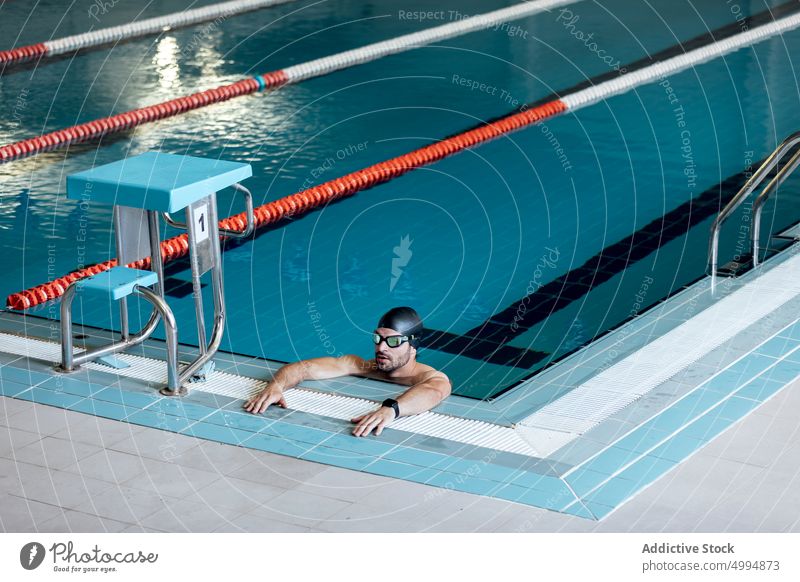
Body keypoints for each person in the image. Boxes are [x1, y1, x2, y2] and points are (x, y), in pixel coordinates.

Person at [244, 307, 451, 437]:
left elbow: (434, 390)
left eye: (394, 341)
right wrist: (276, 385)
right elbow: (303, 368)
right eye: (378, 338)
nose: (381, 348)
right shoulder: (362, 365)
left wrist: (391, 409)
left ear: (413, 346)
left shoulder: (429, 377)